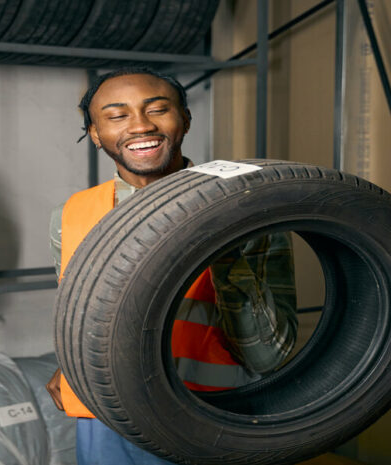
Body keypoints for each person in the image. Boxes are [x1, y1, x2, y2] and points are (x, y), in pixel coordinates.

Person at [46, 67, 298, 465]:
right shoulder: (73, 213)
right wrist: (70, 366)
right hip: (106, 419)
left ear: (185, 120)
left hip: (212, 418)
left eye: (158, 109)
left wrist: (225, 239)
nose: (140, 125)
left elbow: (270, 356)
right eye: (116, 116)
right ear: (95, 134)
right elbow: (77, 314)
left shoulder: (250, 207)